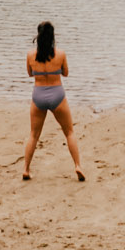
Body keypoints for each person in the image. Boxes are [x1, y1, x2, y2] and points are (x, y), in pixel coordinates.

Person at [21, 20, 85, 182]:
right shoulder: (60, 54)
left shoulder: (30, 55)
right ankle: (77, 165)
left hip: (38, 94)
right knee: (69, 132)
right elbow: (66, 73)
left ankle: (26, 169)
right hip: (57, 93)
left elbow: (30, 73)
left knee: (34, 134)